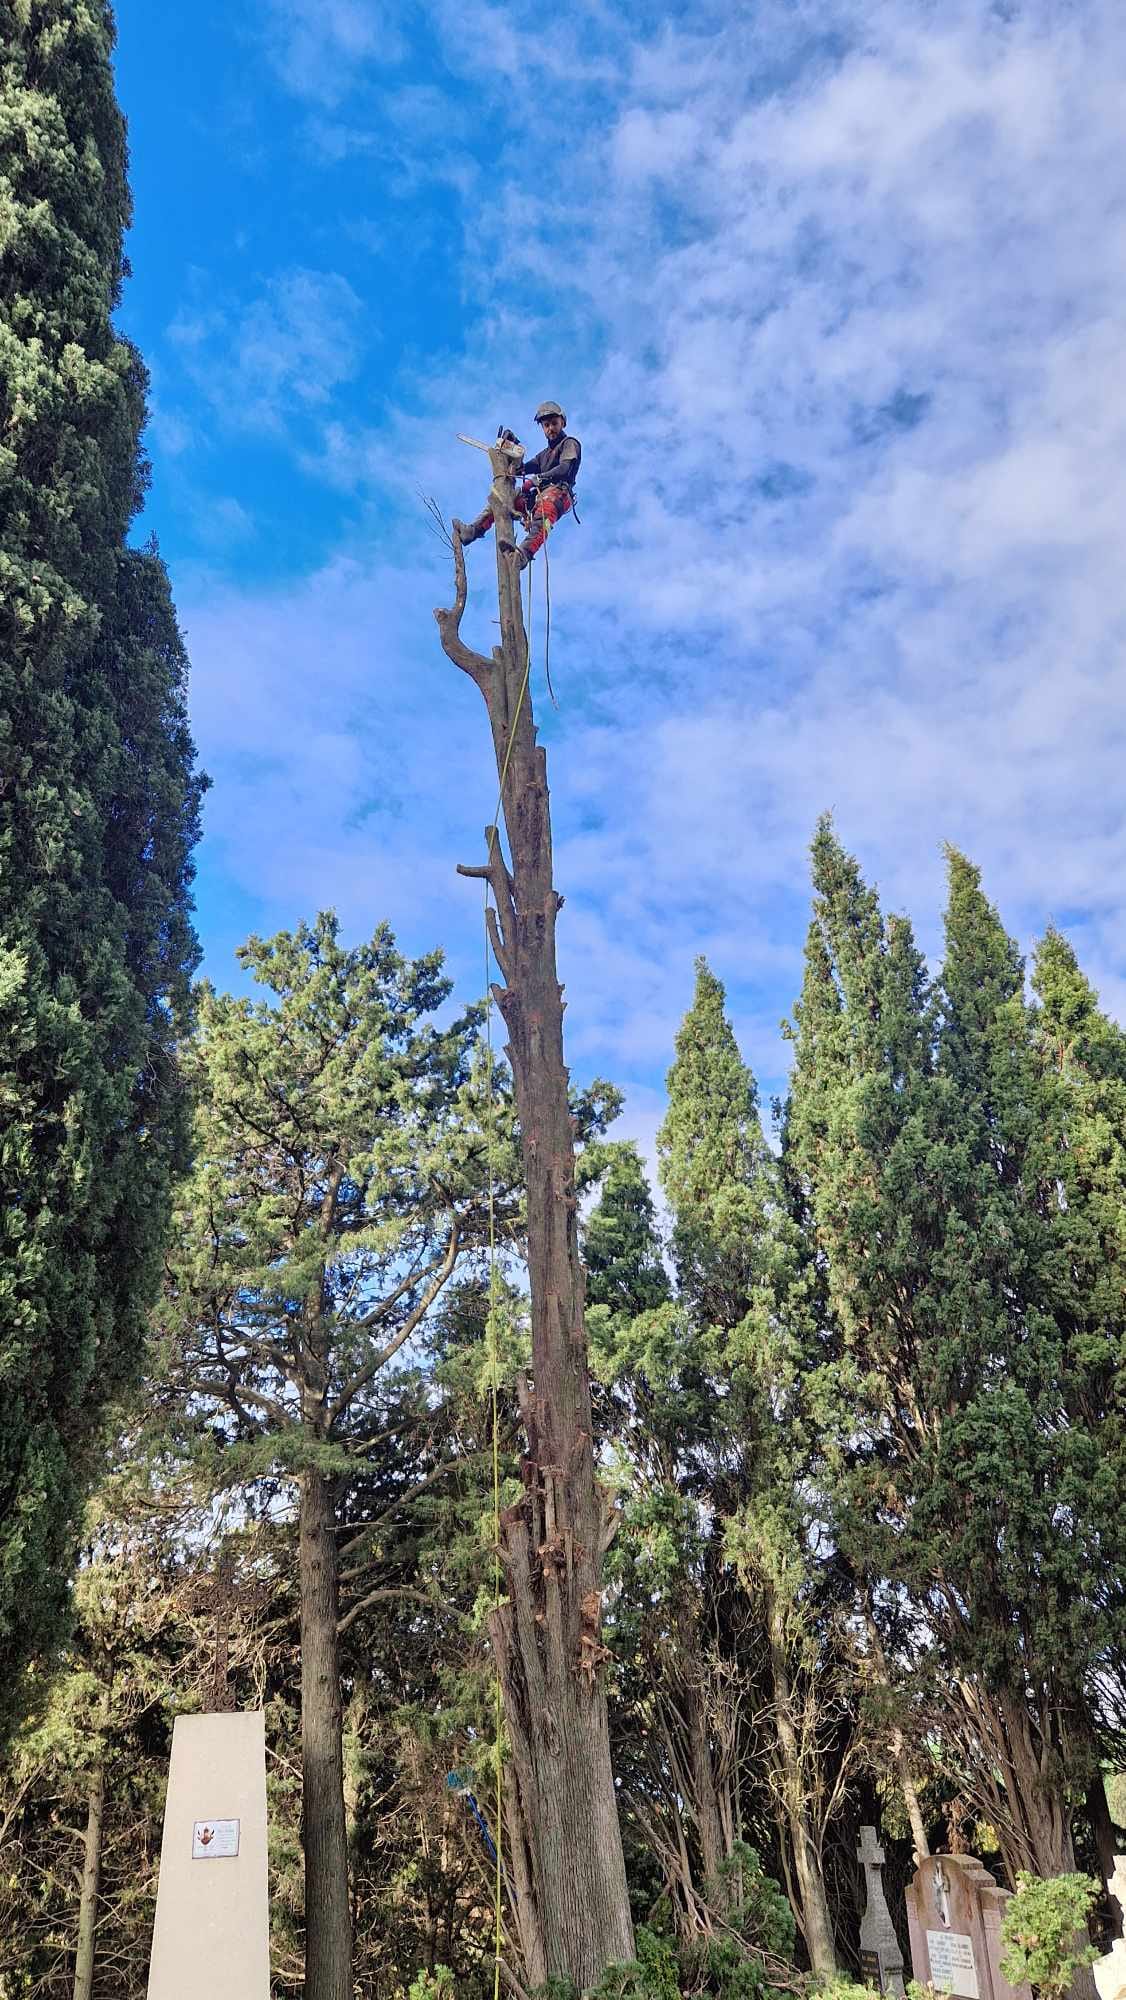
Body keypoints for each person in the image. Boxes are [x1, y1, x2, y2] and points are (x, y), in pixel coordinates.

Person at [456, 401, 581, 568]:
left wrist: (538, 479)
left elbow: (565, 468)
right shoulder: (543, 456)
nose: (550, 428)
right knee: (504, 500)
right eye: (546, 425)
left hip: (558, 494)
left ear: (562, 422)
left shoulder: (569, 443)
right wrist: (512, 446)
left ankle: (523, 555)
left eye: (554, 423)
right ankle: (473, 531)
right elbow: (521, 469)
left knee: (543, 518)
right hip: (538, 496)